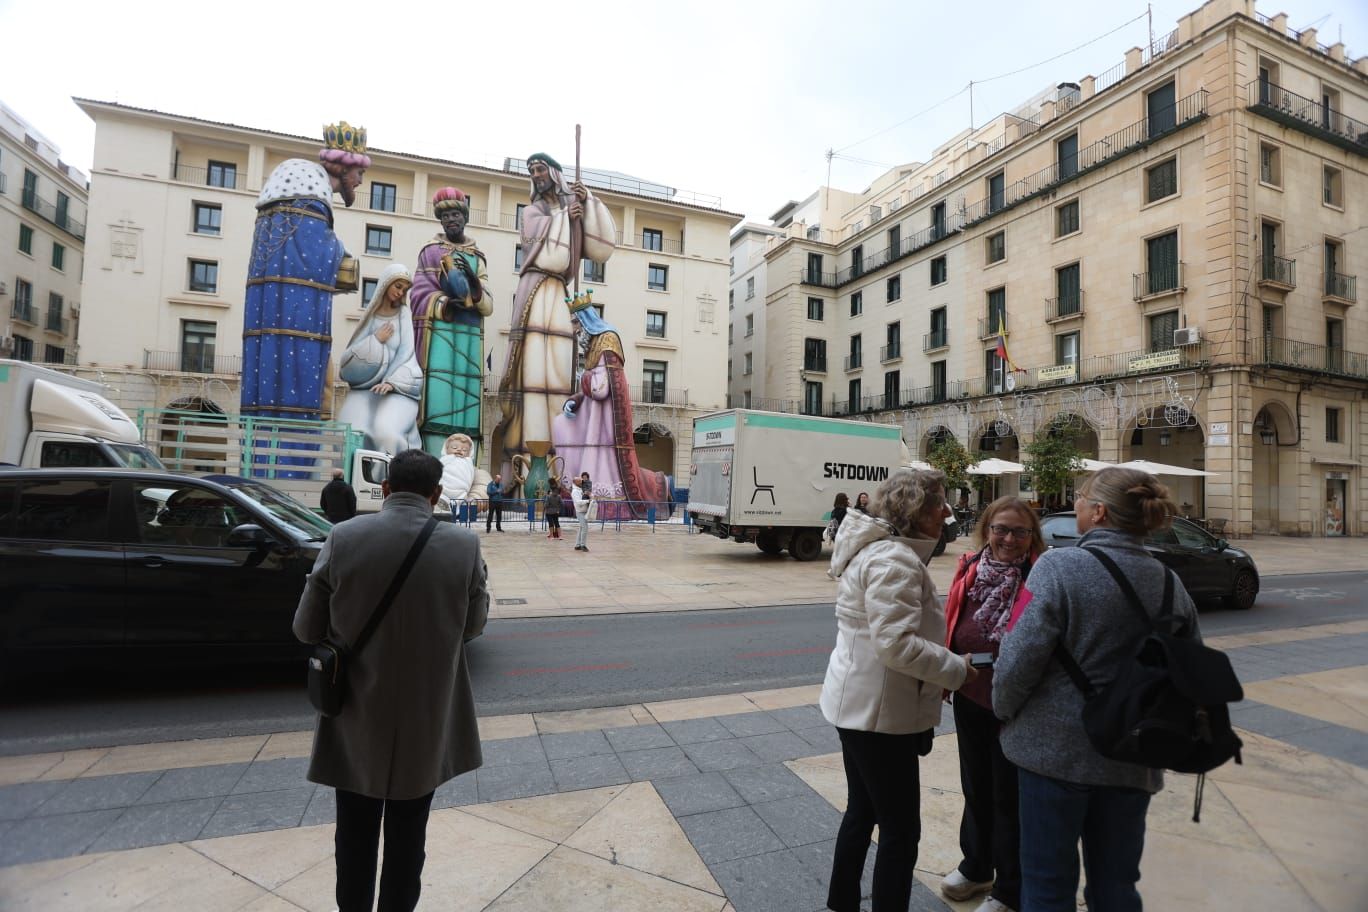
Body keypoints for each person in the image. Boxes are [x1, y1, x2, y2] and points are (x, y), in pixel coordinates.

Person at [994, 467, 1199, 912]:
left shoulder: (1058, 566)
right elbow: (1189, 671)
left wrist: (1003, 709)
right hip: (1132, 756)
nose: (1077, 503)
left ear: (1099, 511)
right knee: (1117, 886)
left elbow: (1017, 659)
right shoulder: (1170, 583)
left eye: (1081, 496)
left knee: (1047, 886)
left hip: (1054, 755)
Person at [293, 449, 488, 912]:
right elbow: (474, 626)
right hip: (426, 720)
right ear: (437, 493)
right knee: (408, 841)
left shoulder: (343, 537)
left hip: (357, 716)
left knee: (354, 838)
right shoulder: (464, 546)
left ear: (383, 490)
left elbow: (305, 629)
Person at [820, 468, 977, 912]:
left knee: (862, 811)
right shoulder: (894, 560)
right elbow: (897, 645)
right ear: (918, 510)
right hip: (880, 714)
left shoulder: (883, 552)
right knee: (901, 830)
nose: (946, 510)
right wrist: (958, 670)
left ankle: (842, 902)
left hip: (860, 704)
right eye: (940, 502)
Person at [939, 496, 1045, 912]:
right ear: (986, 529)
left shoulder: (1041, 574)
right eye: (1000, 528)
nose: (1009, 538)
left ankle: (1009, 887)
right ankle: (976, 865)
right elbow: (952, 616)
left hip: (1017, 703)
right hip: (970, 694)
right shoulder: (969, 566)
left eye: (1020, 531)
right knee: (975, 784)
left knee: (1008, 794)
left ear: (1031, 535)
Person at [491, 152, 616, 481]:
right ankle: (528, 471)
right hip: (536, 295)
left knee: (560, 378)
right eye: (532, 170)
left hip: (559, 298)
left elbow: (602, 249)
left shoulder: (570, 207)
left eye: (540, 168)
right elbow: (540, 245)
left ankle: (558, 471)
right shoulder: (532, 212)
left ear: (555, 174)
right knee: (532, 380)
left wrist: (587, 203)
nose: (536, 174)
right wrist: (565, 215)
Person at [242, 121, 369, 424]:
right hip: (298, 313)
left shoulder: (297, 192)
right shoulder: (311, 198)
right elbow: (314, 252)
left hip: (272, 310)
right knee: (301, 374)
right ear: (342, 168)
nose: (360, 182)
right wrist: (343, 255)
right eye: (360, 173)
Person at [551, 303, 672, 520]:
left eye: (576, 323)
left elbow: (601, 388)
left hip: (602, 420)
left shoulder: (607, 341)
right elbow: (590, 389)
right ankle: (569, 487)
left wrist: (585, 379)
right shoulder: (593, 345)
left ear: (586, 321)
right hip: (590, 412)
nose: (575, 330)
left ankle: (609, 496)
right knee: (561, 423)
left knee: (593, 450)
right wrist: (575, 400)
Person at [411, 188, 492, 456]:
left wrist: (475, 283)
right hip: (441, 333)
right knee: (439, 396)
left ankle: (467, 460)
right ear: (440, 220)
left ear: (465, 216)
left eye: (456, 214)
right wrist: (444, 303)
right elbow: (419, 293)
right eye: (445, 216)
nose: (451, 220)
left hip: (470, 334)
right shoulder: (429, 252)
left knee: (468, 400)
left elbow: (488, 305)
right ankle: (434, 455)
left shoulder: (478, 257)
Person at [336, 264, 423, 455]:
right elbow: (350, 356)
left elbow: (406, 354)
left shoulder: (404, 315)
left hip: (396, 390)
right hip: (366, 390)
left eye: (405, 290)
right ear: (386, 284)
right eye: (398, 286)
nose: (401, 293)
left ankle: (387, 480)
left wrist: (391, 382)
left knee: (387, 433)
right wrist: (375, 340)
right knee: (349, 431)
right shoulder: (371, 317)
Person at [572, 471, 593, 552]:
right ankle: (583, 545)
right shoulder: (575, 491)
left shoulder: (582, 488)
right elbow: (578, 502)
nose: (582, 482)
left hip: (584, 510)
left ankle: (577, 545)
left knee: (581, 528)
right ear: (575, 483)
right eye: (580, 481)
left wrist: (589, 495)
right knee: (585, 527)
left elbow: (590, 494)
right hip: (580, 511)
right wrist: (588, 501)